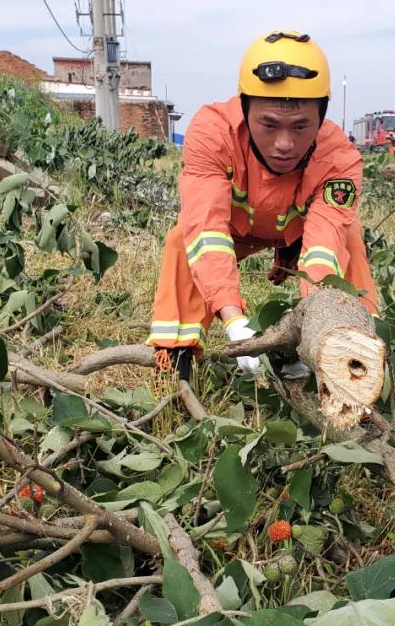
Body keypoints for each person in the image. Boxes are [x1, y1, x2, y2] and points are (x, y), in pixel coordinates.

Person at [147, 31, 377, 381]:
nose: (284, 144)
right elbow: (206, 228)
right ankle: (176, 353)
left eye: (301, 127)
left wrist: (312, 329)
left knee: (349, 241)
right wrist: (235, 321)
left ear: (321, 118)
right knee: (183, 240)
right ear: (245, 109)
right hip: (235, 229)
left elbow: (323, 248)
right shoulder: (212, 133)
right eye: (269, 125)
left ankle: (356, 352)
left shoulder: (339, 158)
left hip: (298, 234)